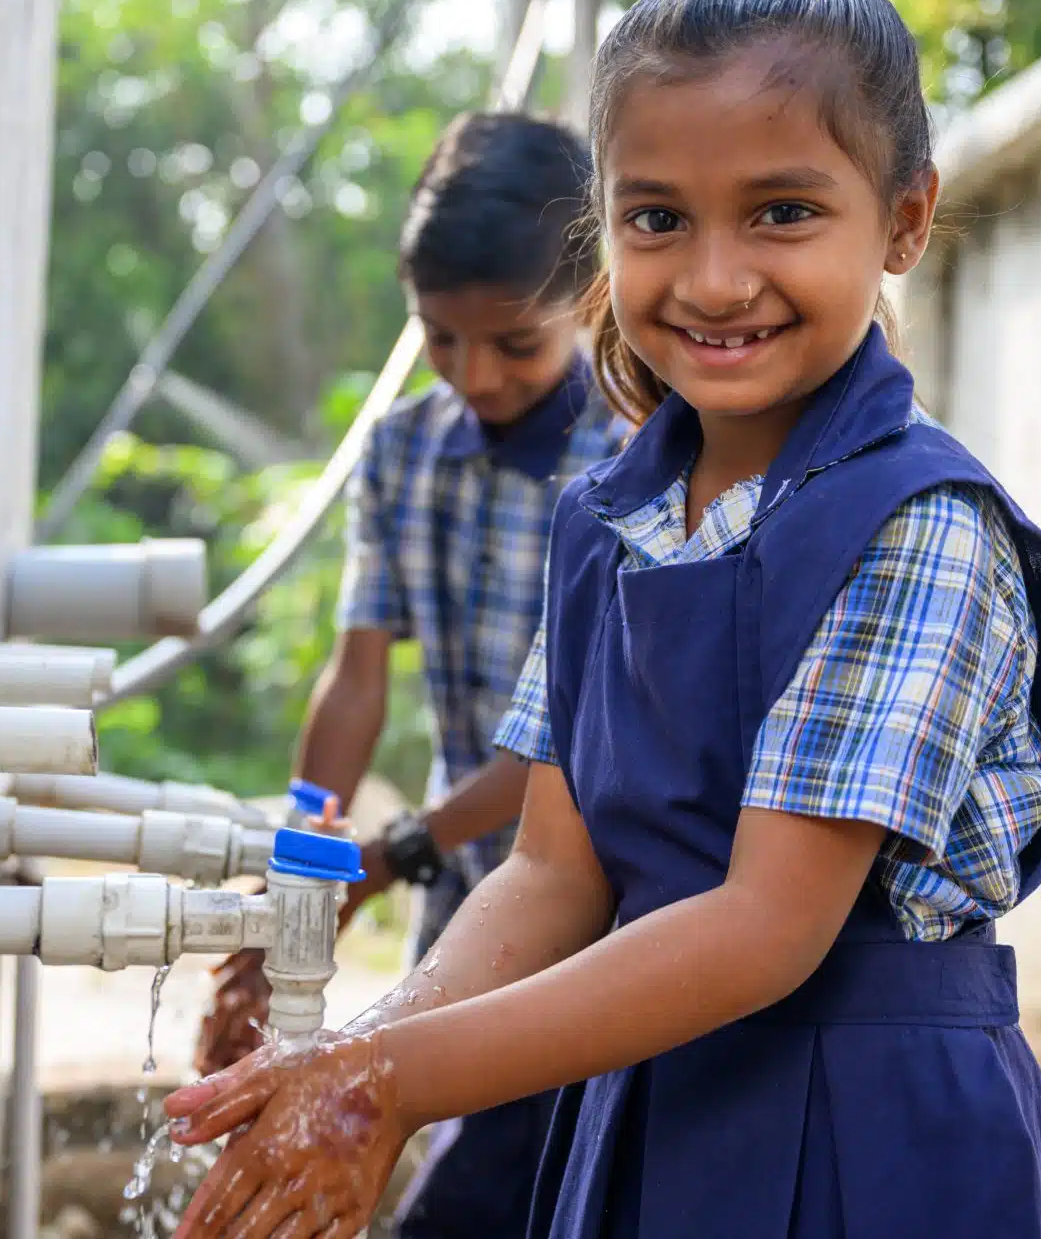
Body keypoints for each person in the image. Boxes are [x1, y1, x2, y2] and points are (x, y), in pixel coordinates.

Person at [163, 0, 1041, 1239]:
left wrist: (387, 1079)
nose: (716, 277)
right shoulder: (606, 520)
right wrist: (354, 1053)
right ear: (605, 229)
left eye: (784, 211)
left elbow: (761, 927)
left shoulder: (917, 531)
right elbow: (552, 874)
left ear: (903, 218)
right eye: (658, 218)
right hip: (651, 1111)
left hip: (874, 1140)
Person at [189, 110, 627, 1238]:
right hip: (465, 886)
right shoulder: (402, 451)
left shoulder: (641, 460)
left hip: (613, 903)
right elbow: (354, 686)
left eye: (513, 346)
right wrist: (292, 873)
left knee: (493, 1191)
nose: (473, 374)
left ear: (588, 302)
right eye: (439, 339)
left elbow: (579, 743)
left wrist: (384, 857)